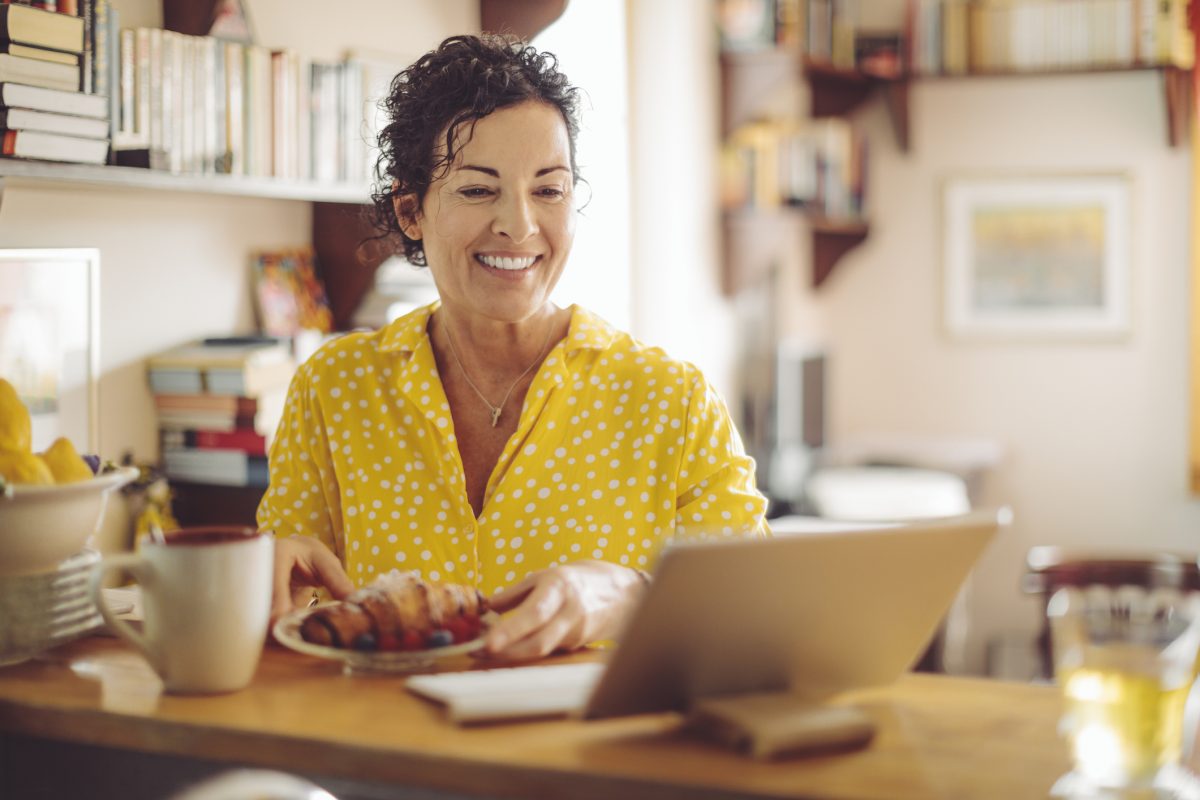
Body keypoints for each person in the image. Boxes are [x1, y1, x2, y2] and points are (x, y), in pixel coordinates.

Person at [257, 33, 769, 660]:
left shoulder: (672, 401)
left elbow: (760, 622)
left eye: (548, 190)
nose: (520, 225)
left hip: (587, 754)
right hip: (384, 751)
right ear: (412, 212)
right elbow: (285, 617)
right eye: (478, 189)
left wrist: (631, 594)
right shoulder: (334, 389)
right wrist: (264, 585)